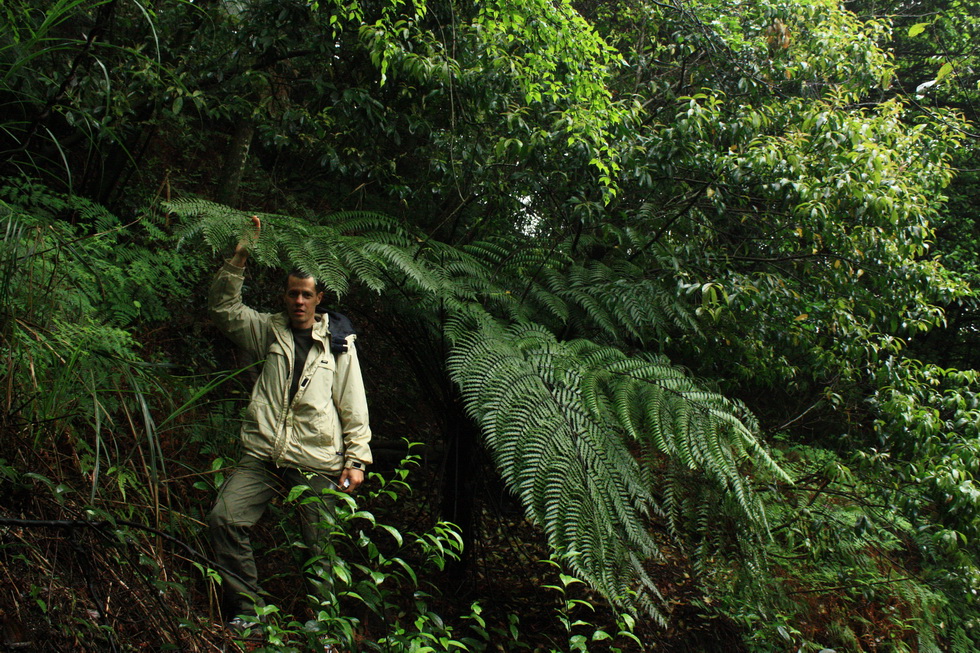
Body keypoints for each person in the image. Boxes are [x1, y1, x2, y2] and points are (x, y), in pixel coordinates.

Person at [205, 216, 372, 634]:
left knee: (321, 550)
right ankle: (250, 613)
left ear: (318, 299)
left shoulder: (337, 344)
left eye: (307, 295)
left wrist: (358, 459)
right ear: (285, 296)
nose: (299, 301)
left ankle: (324, 631)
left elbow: (353, 403)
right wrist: (240, 257)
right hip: (263, 454)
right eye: (293, 294)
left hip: (315, 460)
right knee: (224, 518)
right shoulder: (269, 330)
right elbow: (224, 310)